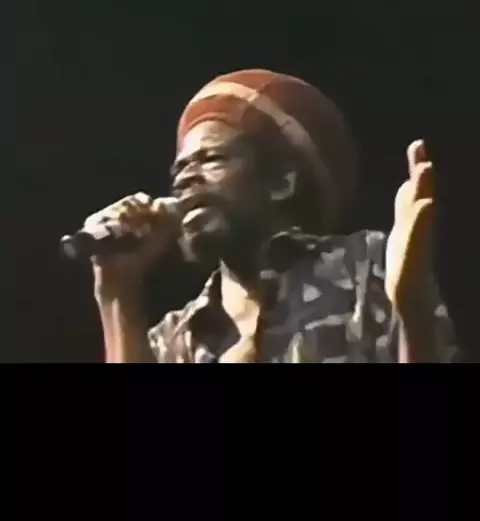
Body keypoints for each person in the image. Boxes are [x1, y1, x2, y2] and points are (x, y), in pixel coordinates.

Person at [91, 69, 454, 363]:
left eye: (211, 159)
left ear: (282, 182)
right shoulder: (175, 338)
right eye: (179, 170)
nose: (185, 179)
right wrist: (117, 292)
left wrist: (412, 306)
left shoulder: (362, 270)